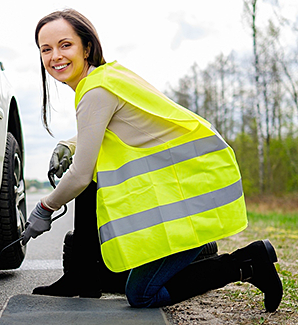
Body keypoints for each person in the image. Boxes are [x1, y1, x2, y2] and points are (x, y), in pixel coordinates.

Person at [21, 8, 283, 312]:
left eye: (65, 45)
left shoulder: (95, 92)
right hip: (190, 188)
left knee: (141, 294)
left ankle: (247, 263)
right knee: (117, 270)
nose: (55, 56)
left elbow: (80, 175)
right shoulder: (109, 77)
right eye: (46, 49)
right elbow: (109, 133)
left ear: (87, 47)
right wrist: (70, 143)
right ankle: (90, 274)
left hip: (189, 198)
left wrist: (44, 208)